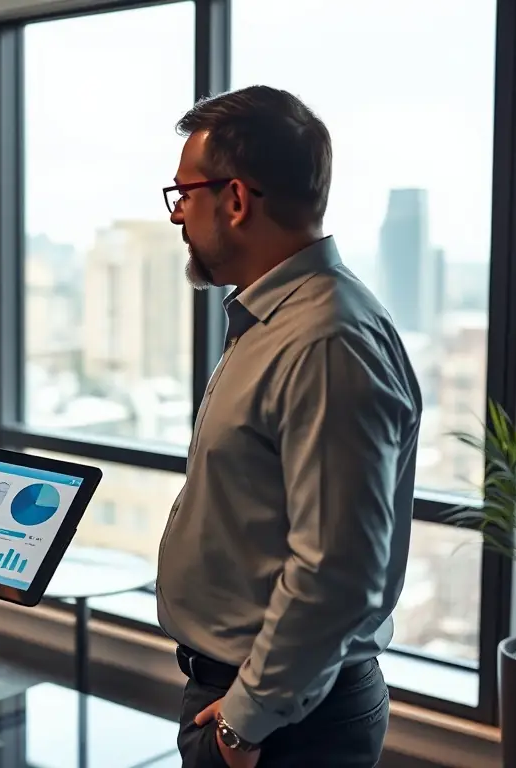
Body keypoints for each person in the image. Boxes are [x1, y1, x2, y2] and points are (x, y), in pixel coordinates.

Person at [157, 85, 422, 768]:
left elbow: (336, 570)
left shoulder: (324, 341)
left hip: (284, 722)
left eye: (185, 193)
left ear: (237, 200)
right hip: (257, 698)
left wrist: (246, 722)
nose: (178, 213)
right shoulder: (274, 322)